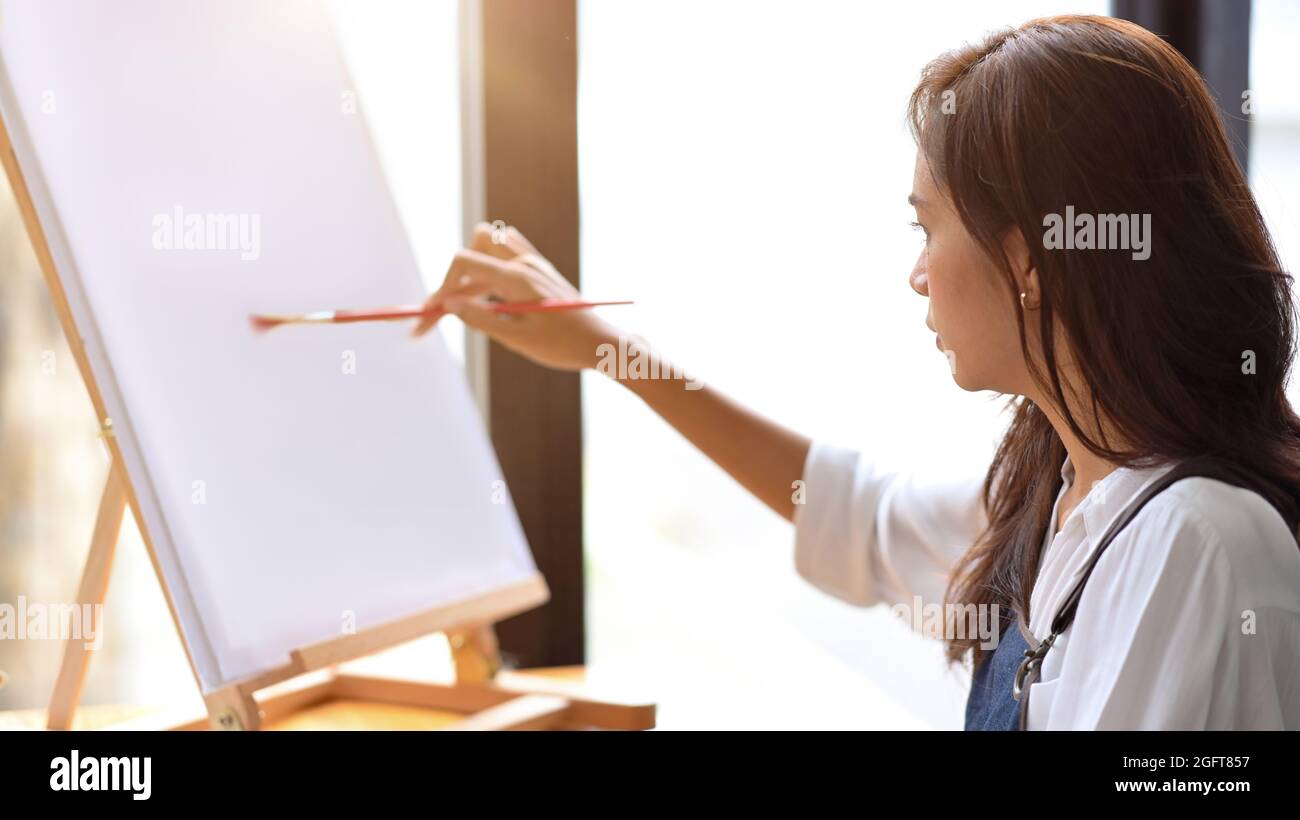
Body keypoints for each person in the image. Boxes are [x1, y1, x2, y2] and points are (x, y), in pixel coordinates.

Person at [415, 15, 1300, 729]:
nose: (916, 273)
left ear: (1030, 260)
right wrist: (606, 351)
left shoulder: (1196, 544)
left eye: (926, 228)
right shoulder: (1065, 490)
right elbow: (861, 517)